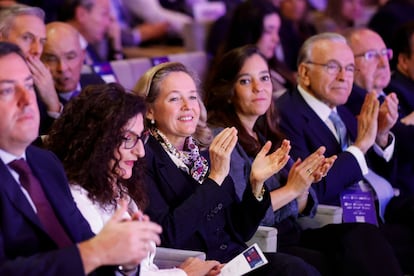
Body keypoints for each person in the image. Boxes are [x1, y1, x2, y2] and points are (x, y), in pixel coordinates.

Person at [205, 44, 404, 276]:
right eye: (245, 81)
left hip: (292, 232)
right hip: (262, 243)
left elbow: (298, 207)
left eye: (265, 78)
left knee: (362, 234)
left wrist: (304, 184)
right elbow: (242, 215)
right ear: (228, 91)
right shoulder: (223, 137)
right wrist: (292, 189)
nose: (259, 88)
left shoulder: (264, 134)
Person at [134, 61, 321, 275]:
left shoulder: (204, 151)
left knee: (304, 267)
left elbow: (240, 230)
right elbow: (168, 234)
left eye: (193, 96)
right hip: (202, 269)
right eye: (175, 98)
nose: (188, 106)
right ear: (149, 111)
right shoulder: (142, 160)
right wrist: (214, 180)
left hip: (235, 261)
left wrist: (256, 183)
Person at [0, 41, 163, 275]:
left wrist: (125, 263)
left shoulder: (44, 163)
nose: (27, 100)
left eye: (29, 85)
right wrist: (97, 251)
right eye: (7, 90)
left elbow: (88, 249)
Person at [45, 82, 222, 276]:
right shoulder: (78, 200)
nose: (140, 152)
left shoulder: (118, 186)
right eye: (128, 139)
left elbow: (142, 269)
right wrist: (184, 274)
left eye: (140, 138)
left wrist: (182, 271)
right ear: (96, 140)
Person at [276, 32, 414, 274]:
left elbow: (376, 173)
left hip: (377, 211)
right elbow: (310, 190)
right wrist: (360, 146)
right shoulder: (285, 116)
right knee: (366, 239)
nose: (344, 77)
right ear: (305, 73)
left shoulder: (342, 110)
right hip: (330, 224)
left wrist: (380, 138)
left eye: (350, 69)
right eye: (333, 67)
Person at [208, 0, 296, 99]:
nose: (276, 39)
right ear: (249, 33)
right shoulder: (233, 73)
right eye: (268, 31)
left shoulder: (275, 65)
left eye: (277, 31)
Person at [0, 4, 60, 134]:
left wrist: (53, 102)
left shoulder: (41, 82)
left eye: (42, 42)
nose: (37, 50)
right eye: (27, 38)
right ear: (1, 37)